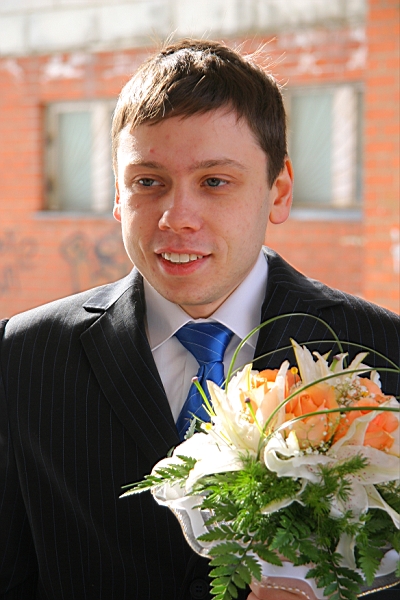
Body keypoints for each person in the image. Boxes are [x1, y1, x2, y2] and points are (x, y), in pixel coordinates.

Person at [0, 39, 398, 600]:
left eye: (214, 181)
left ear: (278, 192)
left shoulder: (382, 349)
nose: (176, 217)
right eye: (148, 182)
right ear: (118, 195)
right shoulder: (25, 355)